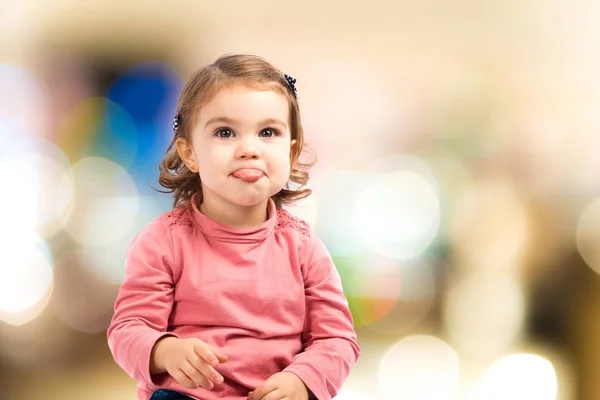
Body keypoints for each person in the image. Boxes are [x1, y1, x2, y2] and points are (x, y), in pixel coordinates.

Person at [107, 53, 360, 400]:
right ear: (189, 152)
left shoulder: (304, 247)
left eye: (267, 132)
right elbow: (127, 329)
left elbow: (337, 338)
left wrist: (302, 380)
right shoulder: (162, 241)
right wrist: (164, 351)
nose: (248, 149)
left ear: (292, 151)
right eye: (225, 132)